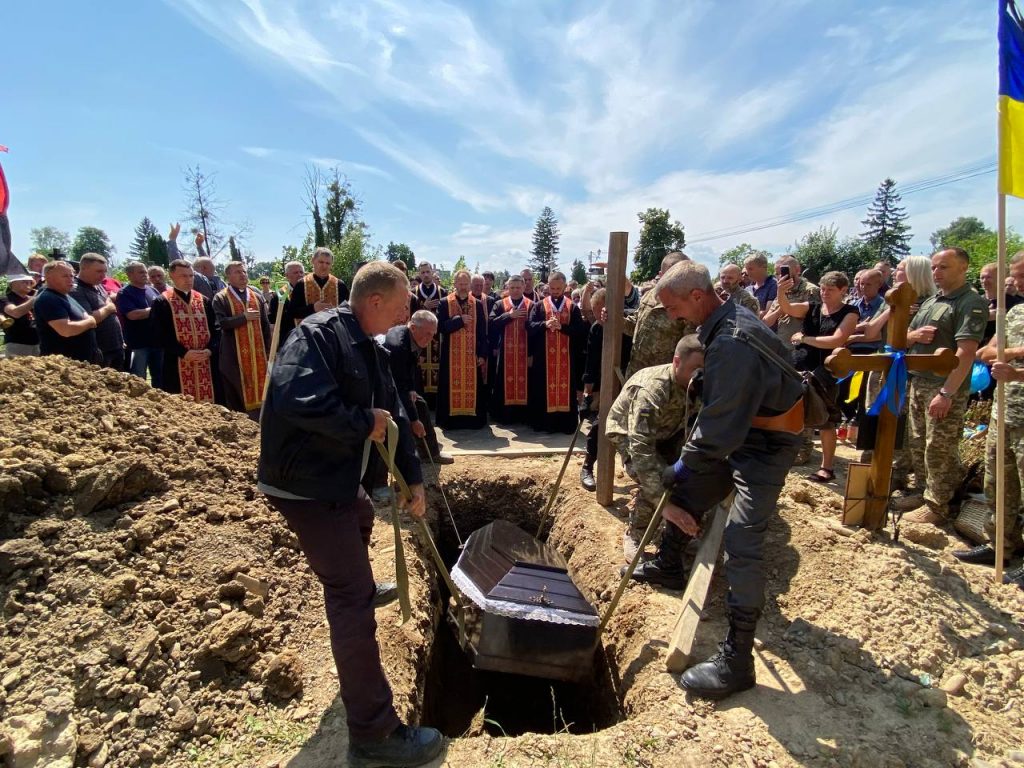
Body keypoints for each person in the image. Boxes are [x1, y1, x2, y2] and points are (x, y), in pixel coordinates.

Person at [257, 262, 443, 767]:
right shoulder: (317, 337)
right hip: (305, 485)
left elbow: (394, 413)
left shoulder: (371, 346)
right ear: (376, 301)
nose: (406, 315)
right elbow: (297, 401)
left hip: (338, 480)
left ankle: (355, 578)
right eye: (402, 306)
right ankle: (373, 734)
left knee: (362, 511)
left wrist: (414, 479)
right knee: (350, 601)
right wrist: (363, 422)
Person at [655, 261, 803, 699]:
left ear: (697, 296)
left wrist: (683, 464)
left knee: (741, 537)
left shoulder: (732, 339)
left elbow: (719, 428)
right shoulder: (722, 324)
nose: (671, 316)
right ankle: (668, 564)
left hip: (767, 443)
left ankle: (738, 660)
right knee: (690, 486)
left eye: (673, 306)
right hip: (746, 429)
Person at [892, 248, 989, 525]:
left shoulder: (970, 302)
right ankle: (923, 493)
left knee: (939, 447)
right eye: (934, 267)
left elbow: (966, 352)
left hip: (943, 386)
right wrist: (913, 335)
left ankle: (938, 506)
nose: (936, 272)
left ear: (963, 268)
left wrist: (946, 393)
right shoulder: (932, 301)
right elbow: (905, 337)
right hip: (918, 381)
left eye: (944, 267)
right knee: (918, 442)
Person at [956, 249, 1024, 587]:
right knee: (998, 482)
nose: (1015, 282)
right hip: (1003, 410)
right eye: (1015, 275)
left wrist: (1014, 365)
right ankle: (999, 545)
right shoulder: (1016, 312)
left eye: (1022, 276)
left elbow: (1001, 354)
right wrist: (1011, 355)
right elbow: (985, 352)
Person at [606, 334, 704, 565]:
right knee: (658, 478)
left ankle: (674, 535)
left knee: (688, 476)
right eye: (696, 369)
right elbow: (641, 449)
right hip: (629, 433)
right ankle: (636, 535)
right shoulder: (652, 391)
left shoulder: (698, 383)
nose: (701, 375)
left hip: (669, 429)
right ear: (677, 362)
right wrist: (664, 503)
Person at [789, 271, 859, 483]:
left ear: (843, 290)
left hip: (825, 372)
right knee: (794, 414)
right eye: (822, 288)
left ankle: (827, 468)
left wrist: (805, 339)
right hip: (800, 367)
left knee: (826, 421)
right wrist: (781, 292)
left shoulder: (850, 312)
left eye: (830, 289)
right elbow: (787, 308)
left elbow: (836, 340)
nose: (824, 293)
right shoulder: (813, 308)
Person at [765, 256, 820, 464]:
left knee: (803, 399)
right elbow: (766, 321)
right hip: (782, 352)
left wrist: (786, 304)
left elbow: (815, 317)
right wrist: (782, 301)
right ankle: (786, 442)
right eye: (778, 271)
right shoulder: (781, 291)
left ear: (797, 269)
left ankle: (804, 447)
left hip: (804, 352)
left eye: (785, 270)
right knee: (785, 400)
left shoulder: (811, 291)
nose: (781, 275)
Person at [383, 310, 454, 464]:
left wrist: (412, 389)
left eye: (433, 334)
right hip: (381, 387)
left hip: (396, 382)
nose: (430, 339)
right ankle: (402, 461)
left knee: (419, 403)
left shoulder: (412, 336)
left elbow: (409, 368)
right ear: (414, 327)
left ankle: (430, 453)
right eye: (427, 334)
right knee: (405, 416)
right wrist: (414, 420)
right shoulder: (398, 346)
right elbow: (399, 386)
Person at [527, 271, 588, 434]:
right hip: (543, 359)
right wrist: (545, 324)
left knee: (566, 390)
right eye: (552, 288)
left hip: (566, 359)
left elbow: (580, 331)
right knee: (542, 390)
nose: (554, 291)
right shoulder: (539, 305)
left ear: (565, 287)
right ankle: (544, 424)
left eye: (558, 288)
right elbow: (530, 327)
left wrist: (562, 327)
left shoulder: (572, 307)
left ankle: (565, 425)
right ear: (548, 286)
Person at [151, 259, 217, 403]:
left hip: (205, 361)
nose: (188, 279)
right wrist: (184, 353)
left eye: (191, 275)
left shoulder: (204, 301)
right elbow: (159, 334)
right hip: (177, 361)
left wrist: (209, 350)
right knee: (181, 403)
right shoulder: (162, 302)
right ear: (171, 276)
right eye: (183, 276)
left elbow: (215, 329)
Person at [213, 261, 272, 417]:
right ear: (228, 276)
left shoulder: (256, 296)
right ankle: (241, 421)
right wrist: (243, 318)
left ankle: (262, 419)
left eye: (244, 272)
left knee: (261, 386)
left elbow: (265, 325)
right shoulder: (221, 298)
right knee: (237, 388)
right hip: (234, 354)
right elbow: (220, 323)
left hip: (258, 354)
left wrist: (268, 350)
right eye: (237, 272)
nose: (243, 275)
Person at [624, 251, 695, 378]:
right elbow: (634, 325)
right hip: (636, 372)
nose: (676, 279)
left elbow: (688, 350)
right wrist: (614, 320)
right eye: (671, 274)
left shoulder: (688, 305)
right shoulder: (649, 296)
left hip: (662, 378)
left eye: (681, 275)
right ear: (661, 275)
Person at [436, 270, 489, 429]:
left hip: (472, 355)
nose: (463, 287)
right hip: (451, 356)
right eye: (460, 284)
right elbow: (440, 327)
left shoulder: (477, 304)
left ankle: (472, 421)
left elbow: (482, 331)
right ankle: (450, 421)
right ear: (455, 284)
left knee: (474, 388)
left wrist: (482, 354)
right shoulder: (445, 302)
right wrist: (459, 320)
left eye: (466, 284)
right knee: (449, 388)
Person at [489, 275, 533, 424]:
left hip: (525, 352)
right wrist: (509, 315)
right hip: (505, 353)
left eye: (518, 287)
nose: (515, 290)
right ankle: (504, 416)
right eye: (512, 287)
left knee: (526, 383)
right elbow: (491, 323)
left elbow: (535, 331)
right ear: (508, 287)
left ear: (524, 287)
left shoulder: (531, 305)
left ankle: (524, 416)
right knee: (503, 383)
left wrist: (532, 354)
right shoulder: (500, 304)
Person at [33, 260, 98, 362]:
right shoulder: (48, 298)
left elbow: (85, 315)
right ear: (48, 277)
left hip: (82, 361)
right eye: (65, 276)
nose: (70, 279)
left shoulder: (66, 296)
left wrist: (90, 321)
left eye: (71, 276)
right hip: (62, 364)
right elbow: (66, 330)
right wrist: (90, 322)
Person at [71, 253, 124, 369]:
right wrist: (108, 308)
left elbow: (107, 299)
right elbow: (88, 318)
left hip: (115, 346)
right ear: (83, 268)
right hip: (98, 352)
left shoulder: (97, 285)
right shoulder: (76, 290)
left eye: (105, 271)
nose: (103, 276)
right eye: (99, 271)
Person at [117, 262, 163, 387]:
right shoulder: (125, 293)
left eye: (145, 272)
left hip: (157, 342)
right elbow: (132, 315)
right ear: (129, 274)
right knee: (138, 377)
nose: (145, 274)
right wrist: (155, 310)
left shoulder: (152, 290)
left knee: (160, 376)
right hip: (138, 344)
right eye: (141, 272)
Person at [410, 261, 447, 408]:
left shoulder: (442, 292)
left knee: (438, 367)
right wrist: (423, 306)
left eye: (428, 272)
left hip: (437, 338)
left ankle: (437, 402)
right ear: (419, 274)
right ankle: (421, 401)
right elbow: (410, 316)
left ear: (432, 272)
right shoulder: (413, 293)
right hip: (419, 339)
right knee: (419, 368)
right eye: (422, 272)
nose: (425, 275)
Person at [289, 247, 350, 326]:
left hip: (333, 331)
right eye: (321, 262)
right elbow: (292, 312)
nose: (324, 266)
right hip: (308, 332)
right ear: (312, 261)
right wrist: (313, 308)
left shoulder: (340, 285)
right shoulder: (301, 284)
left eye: (328, 263)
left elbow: (347, 310)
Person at [980, 261, 1024, 346]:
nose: (984, 281)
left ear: (1001, 278)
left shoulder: (1016, 303)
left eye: (989, 277)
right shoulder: (975, 302)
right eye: (982, 277)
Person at [268, 261, 305, 349]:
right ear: (287, 276)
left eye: (301, 272)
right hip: (288, 342)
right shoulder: (279, 295)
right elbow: (273, 322)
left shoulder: (310, 292)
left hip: (308, 339)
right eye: (296, 272)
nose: (300, 275)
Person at [1, 274, 39, 357]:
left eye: (30, 282)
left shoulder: (31, 298)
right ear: (13, 283)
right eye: (24, 282)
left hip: (37, 342)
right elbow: (15, 313)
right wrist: (35, 298)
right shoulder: (5, 298)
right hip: (17, 343)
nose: (29, 284)